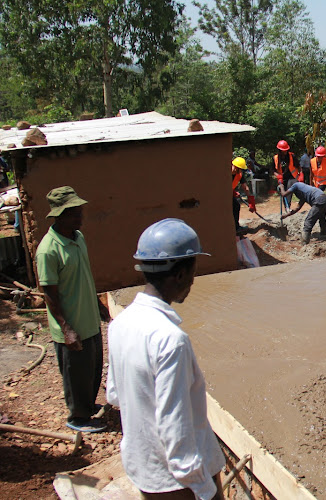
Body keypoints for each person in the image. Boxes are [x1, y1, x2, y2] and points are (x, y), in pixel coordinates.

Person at [107, 219, 225, 500]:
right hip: (177, 482)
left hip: (144, 469)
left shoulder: (121, 324)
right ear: (181, 274)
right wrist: (204, 489)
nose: (195, 280)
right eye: (194, 269)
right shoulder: (171, 340)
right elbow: (176, 430)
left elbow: (114, 394)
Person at [36, 186, 110, 433]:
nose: (80, 217)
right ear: (59, 216)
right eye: (74, 213)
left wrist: (98, 305)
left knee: (91, 369)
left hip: (88, 319)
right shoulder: (48, 249)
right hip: (71, 324)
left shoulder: (78, 238)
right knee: (75, 373)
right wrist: (66, 329)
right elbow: (49, 294)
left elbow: (84, 275)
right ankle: (78, 418)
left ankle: (87, 406)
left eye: (80, 211)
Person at [273, 140, 301, 206]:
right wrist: (277, 175)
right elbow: (272, 170)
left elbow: (299, 166)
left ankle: (292, 204)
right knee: (283, 192)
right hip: (282, 178)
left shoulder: (292, 156)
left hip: (292, 177)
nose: (285, 151)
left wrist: (301, 174)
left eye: (286, 150)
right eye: (283, 150)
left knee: (289, 190)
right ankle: (287, 207)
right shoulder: (275, 158)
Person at [231, 157, 254, 233]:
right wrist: (233, 192)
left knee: (236, 206)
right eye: (240, 168)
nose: (240, 170)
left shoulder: (239, 174)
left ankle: (236, 227)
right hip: (221, 194)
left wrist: (251, 202)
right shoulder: (225, 172)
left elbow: (245, 188)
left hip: (230, 193)